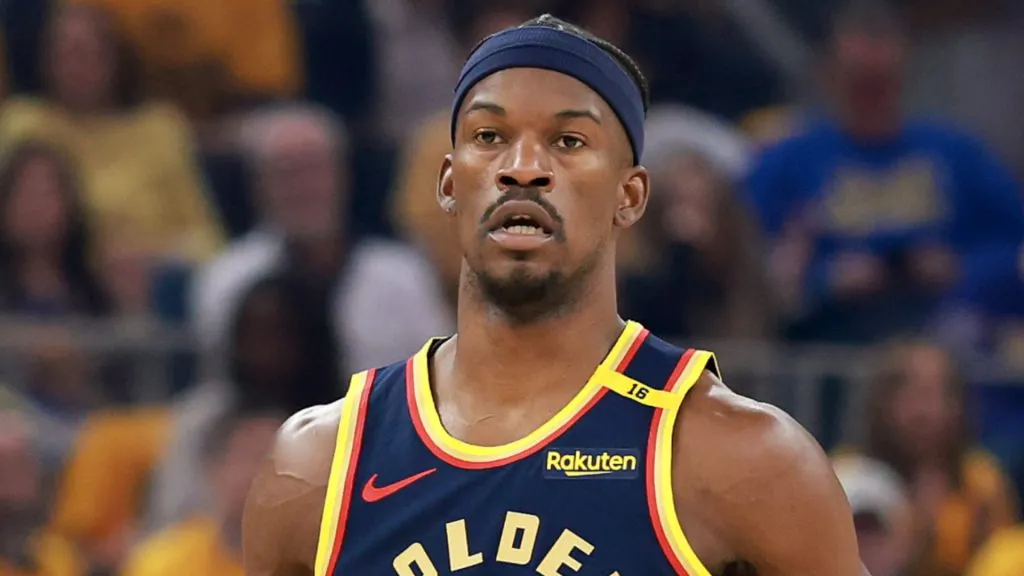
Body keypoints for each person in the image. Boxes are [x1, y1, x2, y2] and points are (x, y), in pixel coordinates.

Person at [243, 14, 866, 576]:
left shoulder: (739, 456)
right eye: (490, 137)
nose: (522, 166)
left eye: (568, 141)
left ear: (631, 197)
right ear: (449, 181)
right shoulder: (321, 463)